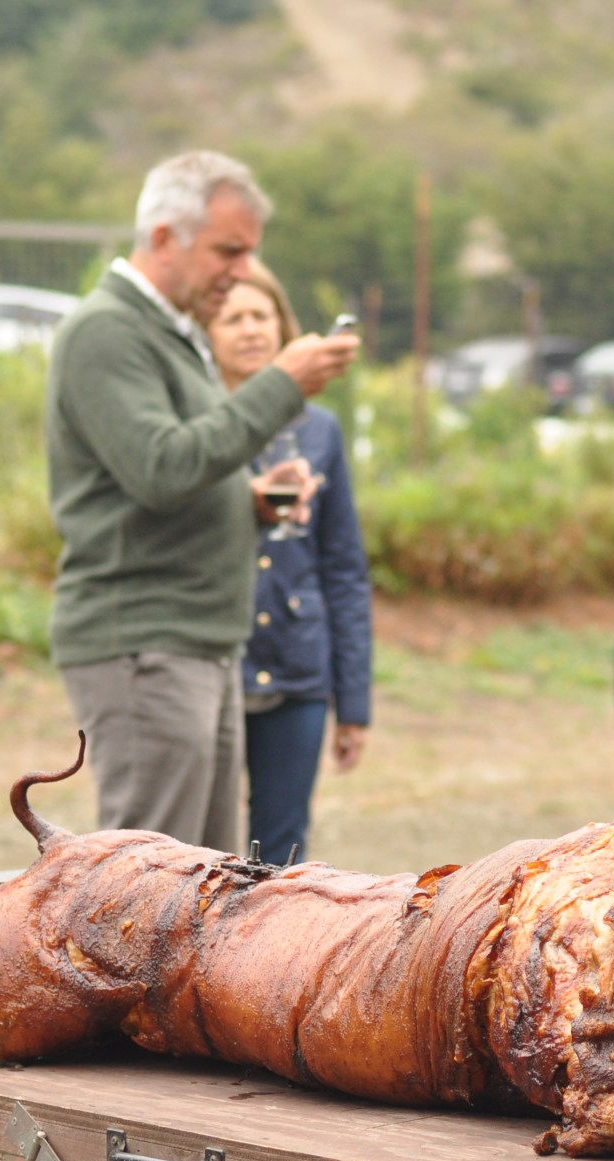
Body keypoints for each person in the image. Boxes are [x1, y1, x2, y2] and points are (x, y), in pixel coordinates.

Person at [46, 149, 359, 857]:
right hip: (145, 644)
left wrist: (245, 504)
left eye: (249, 252)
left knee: (200, 889)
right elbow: (160, 466)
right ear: (163, 238)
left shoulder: (167, 333)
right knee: (146, 888)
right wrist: (281, 384)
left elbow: (168, 472)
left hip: (193, 646)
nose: (242, 270)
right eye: (228, 250)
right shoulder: (107, 331)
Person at [201, 263, 372, 865]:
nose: (250, 330)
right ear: (206, 332)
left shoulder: (319, 428)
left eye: (262, 316)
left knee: (282, 852)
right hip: (213, 658)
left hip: (298, 666)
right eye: (233, 318)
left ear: (284, 327)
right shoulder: (195, 425)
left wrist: (353, 701)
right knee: (200, 849)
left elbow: (343, 565)